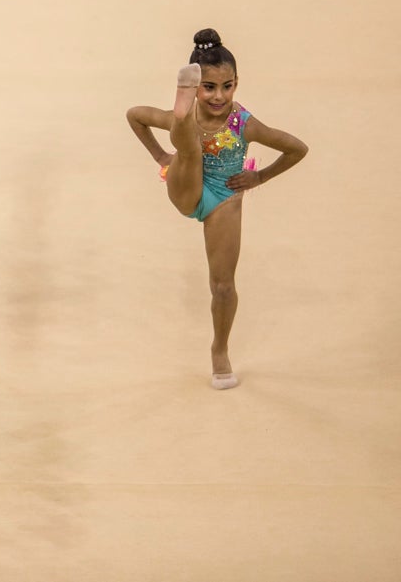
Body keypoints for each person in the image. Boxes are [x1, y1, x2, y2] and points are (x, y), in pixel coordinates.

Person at [125, 28, 308, 389]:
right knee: (189, 143)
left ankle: (220, 350)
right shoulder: (192, 117)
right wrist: (161, 156)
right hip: (186, 186)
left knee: (222, 286)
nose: (219, 95)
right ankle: (181, 120)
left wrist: (259, 178)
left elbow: (297, 148)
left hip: (224, 197)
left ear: (237, 84)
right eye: (208, 87)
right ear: (196, 89)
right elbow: (134, 115)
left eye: (227, 86)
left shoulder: (244, 123)